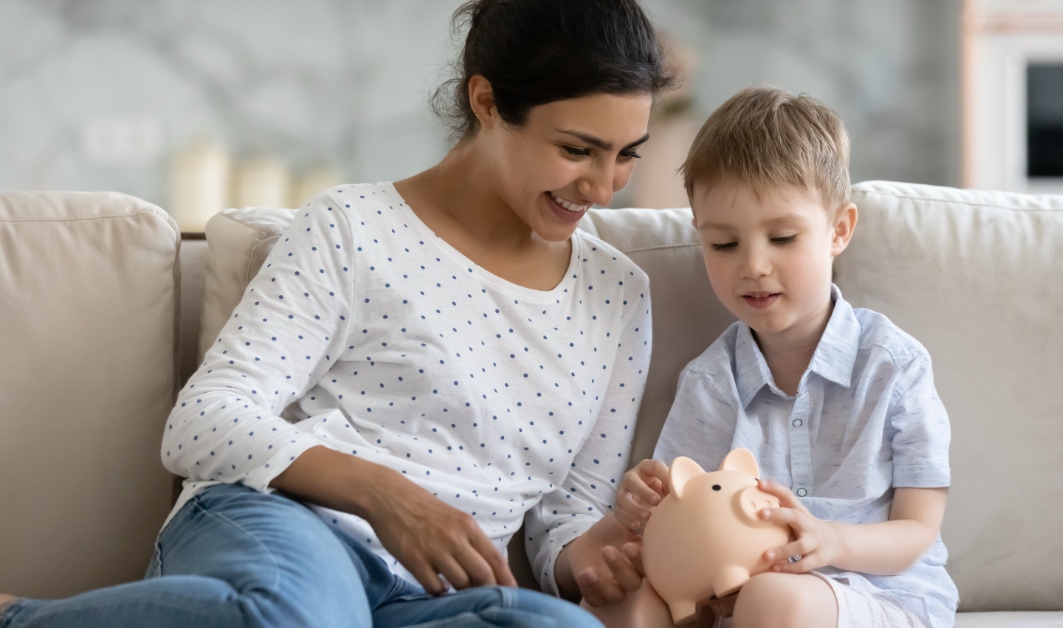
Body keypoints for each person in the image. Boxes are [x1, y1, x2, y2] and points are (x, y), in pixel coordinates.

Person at [0, 1, 675, 626]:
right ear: (487, 102)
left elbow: (565, 513)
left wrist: (586, 553)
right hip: (289, 529)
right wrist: (388, 497)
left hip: (433, 600)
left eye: (626, 156)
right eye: (578, 150)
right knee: (294, 614)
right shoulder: (354, 226)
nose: (604, 187)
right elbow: (202, 424)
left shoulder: (617, 293)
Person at [604, 86, 957, 628]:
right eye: (724, 245)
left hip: (883, 596)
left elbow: (916, 532)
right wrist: (648, 510)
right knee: (628, 605)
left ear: (838, 230)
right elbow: (686, 518)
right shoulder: (710, 380)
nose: (754, 266)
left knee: (774, 600)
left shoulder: (893, 366)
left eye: (783, 237)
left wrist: (830, 540)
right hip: (742, 593)